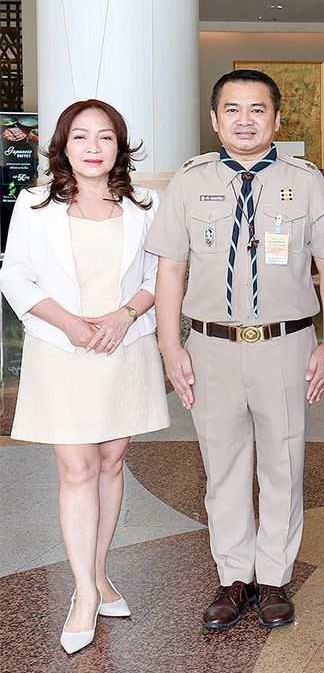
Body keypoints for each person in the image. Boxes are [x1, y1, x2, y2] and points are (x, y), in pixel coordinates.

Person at [145, 69, 324, 631]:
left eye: (257, 109)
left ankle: (274, 576)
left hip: (287, 343)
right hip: (211, 347)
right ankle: (234, 576)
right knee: (221, 467)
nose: (245, 120)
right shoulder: (189, 182)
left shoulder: (305, 182)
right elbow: (170, 268)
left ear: (277, 119)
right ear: (214, 119)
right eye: (232, 109)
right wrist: (168, 344)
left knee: (284, 462)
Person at [0, 99, 169, 654]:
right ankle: (82, 593)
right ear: (63, 145)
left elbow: (158, 277)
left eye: (104, 138)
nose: (93, 148)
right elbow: (16, 276)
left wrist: (124, 316)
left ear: (119, 145)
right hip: (62, 347)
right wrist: (71, 324)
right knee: (76, 467)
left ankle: (99, 573)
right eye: (81, 138)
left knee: (112, 461)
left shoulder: (145, 204)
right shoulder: (34, 204)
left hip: (123, 345)